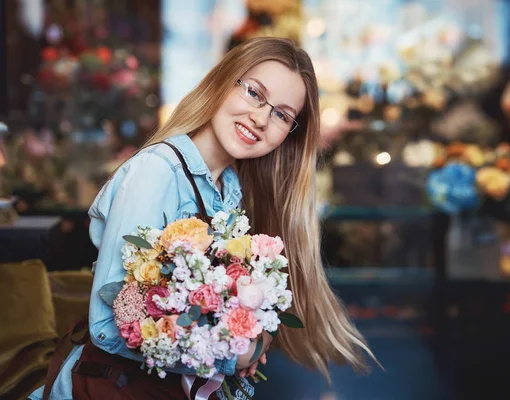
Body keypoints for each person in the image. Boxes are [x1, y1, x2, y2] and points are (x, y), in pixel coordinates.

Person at [29, 37, 376, 399]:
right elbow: (108, 328)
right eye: (255, 93)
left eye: (282, 115)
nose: (260, 118)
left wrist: (245, 331)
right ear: (223, 82)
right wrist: (235, 353)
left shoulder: (228, 189)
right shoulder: (157, 171)